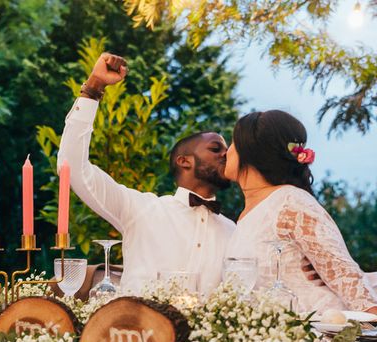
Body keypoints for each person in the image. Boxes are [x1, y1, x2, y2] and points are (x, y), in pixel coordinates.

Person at [57, 53, 235, 294]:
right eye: (216, 148)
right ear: (184, 161)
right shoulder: (142, 210)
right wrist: (93, 89)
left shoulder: (233, 231)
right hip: (135, 329)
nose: (226, 154)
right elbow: (72, 167)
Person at [224, 109, 377, 314]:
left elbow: (349, 281)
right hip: (270, 338)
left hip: (316, 334)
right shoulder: (247, 215)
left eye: (233, 143)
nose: (227, 151)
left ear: (251, 151)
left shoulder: (291, 202)